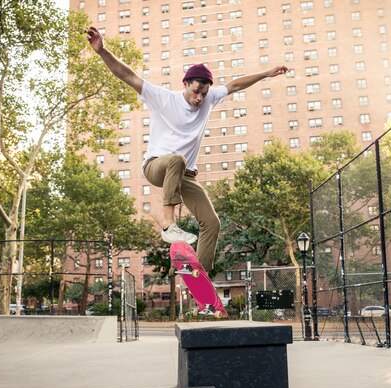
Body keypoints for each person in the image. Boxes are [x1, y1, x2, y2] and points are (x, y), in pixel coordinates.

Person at [86, 26, 288, 272]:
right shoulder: (163, 98)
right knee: (177, 160)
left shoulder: (209, 99)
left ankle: (200, 275)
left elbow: (235, 85)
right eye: (195, 91)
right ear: (185, 84)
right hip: (157, 166)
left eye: (203, 94)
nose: (200, 98)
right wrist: (103, 51)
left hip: (185, 176)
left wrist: (266, 73)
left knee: (212, 222)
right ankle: (169, 224)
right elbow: (127, 76)